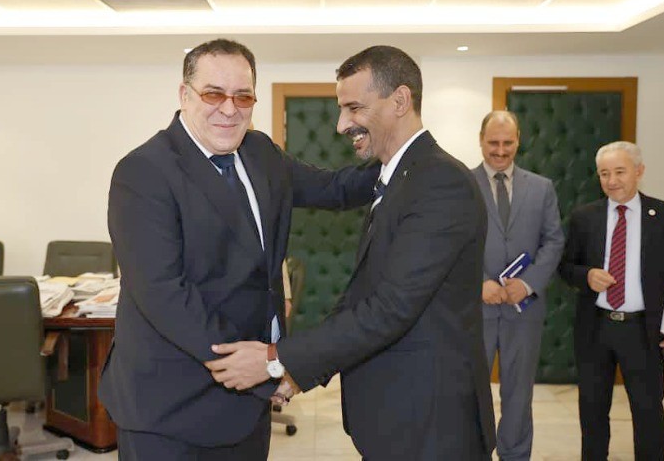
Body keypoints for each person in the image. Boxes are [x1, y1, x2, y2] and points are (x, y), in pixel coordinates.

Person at [205, 45, 496, 460]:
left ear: (400, 101)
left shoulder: (438, 183)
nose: (342, 124)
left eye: (354, 108)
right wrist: (299, 370)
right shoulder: (400, 176)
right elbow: (364, 292)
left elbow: (389, 308)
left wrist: (276, 358)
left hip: (431, 424)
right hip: (401, 419)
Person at [98, 38, 378, 460]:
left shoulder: (260, 151)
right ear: (184, 95)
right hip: (169, 408)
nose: (229, 109)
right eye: (214, 94)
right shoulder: (144, 172)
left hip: (245, 410)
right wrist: (267, 372)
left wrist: (404, 157)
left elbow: (336, 188)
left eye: (243, 96)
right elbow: (165, 295)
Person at [559, 141, 664, 460]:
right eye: (604, 174)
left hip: (644, 331)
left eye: (620, 172)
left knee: (648, 414)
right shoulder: (585, 217)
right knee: (592, 412)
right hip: (596, 328)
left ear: (639, 171)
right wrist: (587, 276)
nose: (612, 181)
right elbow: (565, 266)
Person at [472, 110, 564, 460]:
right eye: (493, 142)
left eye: (507, 142)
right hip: (475, 310)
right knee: (471, 392)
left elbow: (554, 241)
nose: (500, 150)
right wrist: (478, 283)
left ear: (518, 141)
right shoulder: (462, 184)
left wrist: (528, 284)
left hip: (523, 311)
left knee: (519, 394)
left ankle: (515, 455)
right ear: (481, 141)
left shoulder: (542, 188)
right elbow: (449, 244)